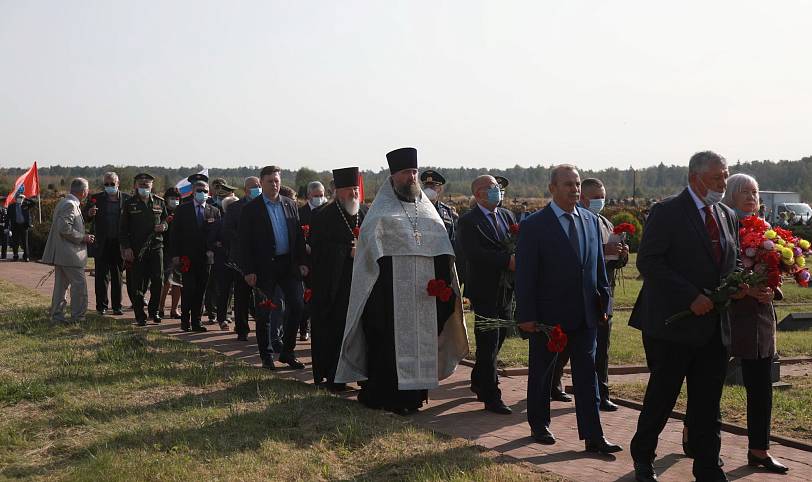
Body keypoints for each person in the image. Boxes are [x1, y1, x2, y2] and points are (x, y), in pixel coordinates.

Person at [629, 151, 744, 482]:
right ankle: (643, 458)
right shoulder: (667, 212)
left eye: (725, 176)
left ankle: (708, 467)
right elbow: (649, 261)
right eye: (717, 178)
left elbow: (733, 259)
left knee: (708, 403)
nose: (723, 184)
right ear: (695, 178)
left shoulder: (726, 214)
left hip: (714, 328)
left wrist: (737, 284)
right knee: (662, 398)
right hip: (673, 326)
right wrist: (690, 297)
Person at [334, 147, 468, 415]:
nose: (412, 177)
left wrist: (442, 286)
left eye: (414, 172)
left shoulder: (429, 214)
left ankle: (414, 398)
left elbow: (442, 254)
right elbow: (368, 260)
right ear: (393, 176)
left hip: (424, 297)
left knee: (422, 344)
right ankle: (385, 397)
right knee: (388, 345)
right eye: (407, 172)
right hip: (388, 297)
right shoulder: (380, 214)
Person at [683, 174, 788, 473]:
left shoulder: (768, 230)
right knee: (709, 384)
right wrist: (745, 289)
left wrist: (771, 289)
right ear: (730, 194)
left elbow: (776, 270)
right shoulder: (718, 225)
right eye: (745, 192)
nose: (751, 197)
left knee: (761, 386)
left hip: (759, 320)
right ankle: (697, 437)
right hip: (727, 315)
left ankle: (759, 450)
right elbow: (714, 272)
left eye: (755, 192)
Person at [515, 164, 621, 454]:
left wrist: (604, 303)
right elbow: (525, 275)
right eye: (568, 184)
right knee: (542, 372)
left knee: (587, 376)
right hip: (549, 317)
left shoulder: (590, 220)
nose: (574, 189)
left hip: (586, 314)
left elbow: (597, 268)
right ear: (552, 188)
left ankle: (593, 436)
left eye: (577, 184)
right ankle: (539, 424)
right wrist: (526, 315)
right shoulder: (535, 225)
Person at [550, 178, 628, 410]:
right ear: (582, 197)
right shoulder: (573, 222)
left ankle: (601, 393)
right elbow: (573, 256)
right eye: (595, 198)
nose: (600, 202)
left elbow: (612, 263)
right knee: (565, 345)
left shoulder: (605, 223)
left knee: (602, 347)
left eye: (602, 197)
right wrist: (603, 250)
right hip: (577, 296)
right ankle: (552, 382)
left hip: (602, 296)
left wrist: (621, 254)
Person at [457, 174, 517, 415]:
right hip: (484, 290)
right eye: (492, 188)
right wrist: (506, 260)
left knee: (499, 337)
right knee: (488, 341)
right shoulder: (468, 221)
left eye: (498, 188)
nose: (498, 191)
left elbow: (515, 242)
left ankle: (479, 379)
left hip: (506, 289)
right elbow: (474, 253)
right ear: (479, 193)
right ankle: (492, 396)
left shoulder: (507, 216)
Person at [238, 166, 308, 370]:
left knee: (297, 306)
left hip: (288, 265)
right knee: (264, 313)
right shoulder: (251, 209)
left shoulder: (290, 204)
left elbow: (298, 236)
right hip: (264, 267)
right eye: (270, 181)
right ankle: (267, 356)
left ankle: (287, 352)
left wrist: (302, 262)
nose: (274, 184)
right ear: (262, 183)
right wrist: (248, 270)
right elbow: (244, 243)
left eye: (277, 180)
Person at [309, 167, 366, 390]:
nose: (354, 193)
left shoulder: (365, 213)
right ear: (338, 191)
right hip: (335, 286)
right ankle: (334, 375)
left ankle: (360, 374)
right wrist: (346, 252)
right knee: (336, 330)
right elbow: (319, 251)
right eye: (349, 189)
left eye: (356, 189)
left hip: (360, 282)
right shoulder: (323, 215)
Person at [170, 175, 221, 332]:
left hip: (206, 258)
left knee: (201, 291)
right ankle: (185, 321)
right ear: (193, 191)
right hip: (187, 257)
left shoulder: (214, 211)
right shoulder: (182, 209)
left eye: (205, 191)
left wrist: (216, 248)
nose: (202, 193)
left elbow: (218, 233)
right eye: (199, 190)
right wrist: (175, 255)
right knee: (188, 289)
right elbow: (175, 234)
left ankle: (197, 322)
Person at [42, 178, 95, 323]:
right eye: (87, 190)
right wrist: (83, 237)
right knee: (79, 286)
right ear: (83, 191)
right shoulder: (70, 205)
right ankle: (78, 317)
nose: (88, 192)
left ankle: (57, 316)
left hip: (63, 254)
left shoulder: (64, 202)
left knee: (61, 287)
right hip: (70, 254)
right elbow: (64, 228)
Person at [119, 173, 169, 326]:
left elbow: (166, 220)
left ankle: (154, 311)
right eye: (141, 184)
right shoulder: (129, 203)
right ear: (135, 185)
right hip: (137, 249)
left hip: (156, 247)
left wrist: (164, 226)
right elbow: (123, 229)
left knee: (158, 281)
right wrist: (127, 248)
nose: (144, 187)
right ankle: (140, 314)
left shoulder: (159, 202)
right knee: (137, 283)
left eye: (147, 184)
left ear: (151, 186)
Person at [222, 176, 261, 341]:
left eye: (258, 185)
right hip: (241, 259)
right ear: (245, 190)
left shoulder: (265, 205)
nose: (257, 189)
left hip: (261, 258)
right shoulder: (235, 208)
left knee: (262, 296)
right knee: (242, 296)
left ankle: (263, 328)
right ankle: (242, 329)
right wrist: (246, 239)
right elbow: (227, 231)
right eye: (253, 186)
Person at [83, 172, 127, 315]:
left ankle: (117, 306)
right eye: (106, 184)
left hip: (119, 243)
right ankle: (101, 306)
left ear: (118, 183)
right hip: (102, 243)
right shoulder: (96, 198)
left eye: (112, 184)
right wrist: (89, 213)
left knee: (117, 276)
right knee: (101, 276)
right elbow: (84, 217)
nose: (109, 186)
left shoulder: (127, 199)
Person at [298, 180, 327, 341]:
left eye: (321, 195)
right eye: (316, 195)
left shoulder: (328, 211)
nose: (319, 198)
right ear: (309, 195)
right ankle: (304, 328)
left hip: (324, 260)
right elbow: (296, 237)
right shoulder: (301, 213)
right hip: (308, 262)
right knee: (307, 296)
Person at [213, 194, 240, 330]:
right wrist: (218, 245)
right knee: (224, 291)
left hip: (239, 262)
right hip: (224, 262)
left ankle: (240, 322)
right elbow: (212, 240)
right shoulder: (219, 223)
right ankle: (222, 318)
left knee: (240, 293)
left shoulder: (243, 223)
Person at [159, 187, 182, 319]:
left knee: (177, 282)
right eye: (172, 198)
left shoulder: (181, 212)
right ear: (166, 199)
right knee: (166, 281)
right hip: (164, 249)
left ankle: (174, 309)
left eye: (177, 198)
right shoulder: (161, 211)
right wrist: (165, 222)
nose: (174, 201)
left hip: (178, 250)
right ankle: (160, 307)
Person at [420, 170, 457, 243]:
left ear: (439, 189)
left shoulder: (447, 211)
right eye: (426, 186)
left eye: (432, 186)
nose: (428, 189)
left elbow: (452, 238)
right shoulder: (416, 209)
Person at [9, 192, 33, 261]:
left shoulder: (25, 205)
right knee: (15, 242)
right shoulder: (11, 206)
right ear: (16, 199)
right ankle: (15, 256)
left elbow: (33, 203)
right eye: (19, 198)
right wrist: (7, 228)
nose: (20, 199)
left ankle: (26, 256)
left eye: (21, 198)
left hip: (24, 226)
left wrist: (25, 198)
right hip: (15, 226)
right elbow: (8, 217)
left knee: (25, 242)